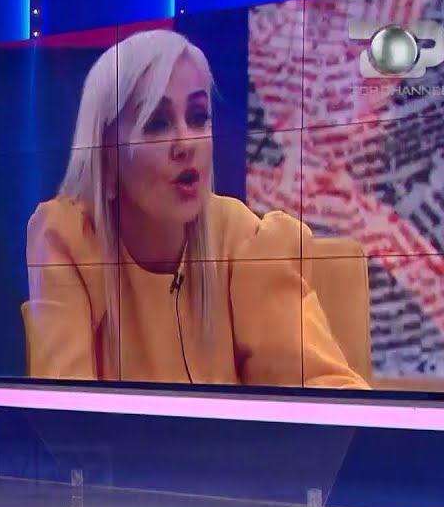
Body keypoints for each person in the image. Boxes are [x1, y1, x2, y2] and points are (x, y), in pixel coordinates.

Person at [25, 29, 368, 389]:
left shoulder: (243, 239)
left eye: (197, 116)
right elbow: (67, 410)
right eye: (157, 123)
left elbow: (322, 386)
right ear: (105, 155)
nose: (186, 142)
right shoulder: (68, 241)